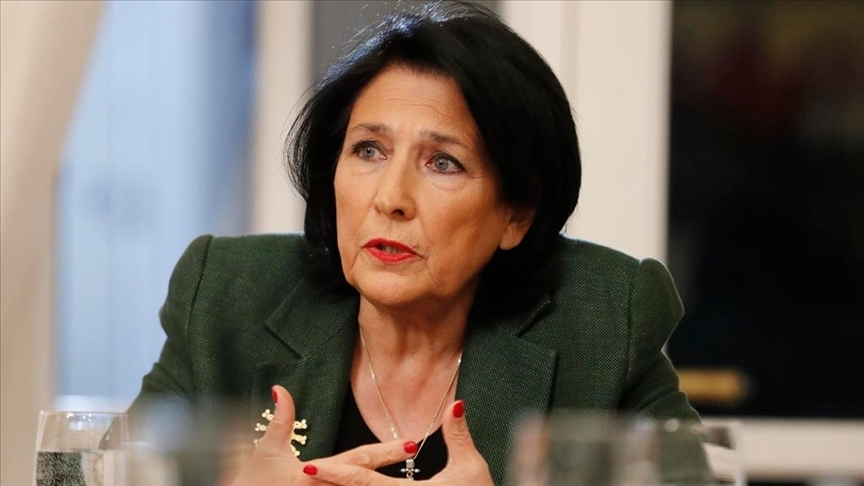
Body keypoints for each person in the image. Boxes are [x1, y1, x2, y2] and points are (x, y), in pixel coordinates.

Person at [129, 2, 706, 484]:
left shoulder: (603, 322)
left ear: (517, 214)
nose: (391, 198)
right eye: (369, 151)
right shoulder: (227, 298)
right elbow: (101, 474)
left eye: (443, 162)